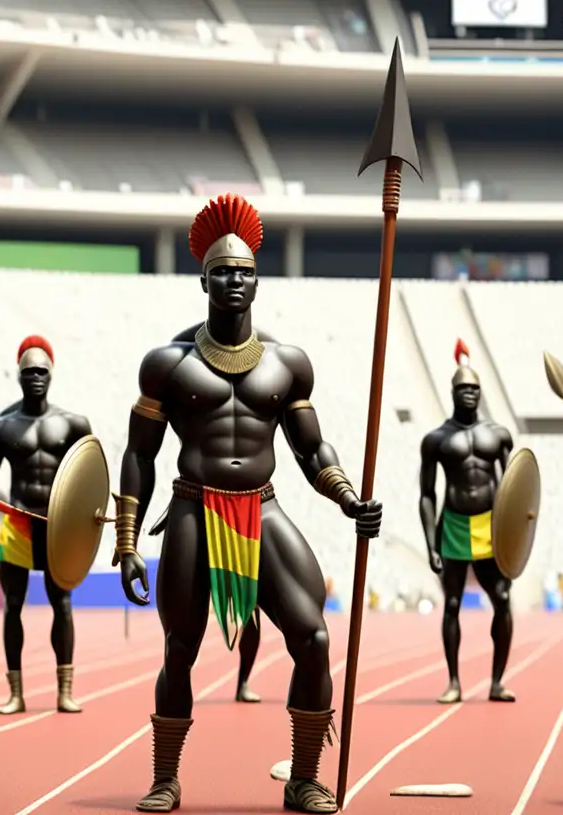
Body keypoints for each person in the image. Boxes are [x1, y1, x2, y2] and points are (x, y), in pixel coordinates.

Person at [114, 193, 382, 813]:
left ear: (258, 281)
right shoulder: (167, 365)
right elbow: (139, 457)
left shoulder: (288, 366)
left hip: (261, 506)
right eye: (224, 271)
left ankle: (305, 777)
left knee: (313, 637)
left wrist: (348, 498)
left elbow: (312, 451)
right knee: (180, 649)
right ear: (203, 279)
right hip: (191, 509)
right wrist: (126, 543)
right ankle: (165, 778)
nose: (235, 280)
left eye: (245, 272)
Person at [0, 336, 92, 715]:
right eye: (28, 371)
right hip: (17, 522)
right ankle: (16, 693)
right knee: (13, 606)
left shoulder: (73, 424)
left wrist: (88, 520)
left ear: (52, 373)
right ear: (18, 374)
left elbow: (89, 476)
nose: (35, 377)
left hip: (57, 526)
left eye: (41, 371)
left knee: (61, 604)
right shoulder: (1, 427)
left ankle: (65, 691)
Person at [418, 340, 516, 704]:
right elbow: (426, 494)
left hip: (491, 527)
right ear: (453, 392)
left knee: (502, 600)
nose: (470, 394)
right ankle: (454, 681)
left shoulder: (499, 434)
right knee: (453, 604)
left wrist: (517, 537)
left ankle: (496, 682)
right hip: (455, 527)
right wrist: (431, 543)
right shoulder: (437, 439)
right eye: (463, 389)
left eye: (474, 388)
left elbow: (515, 486)